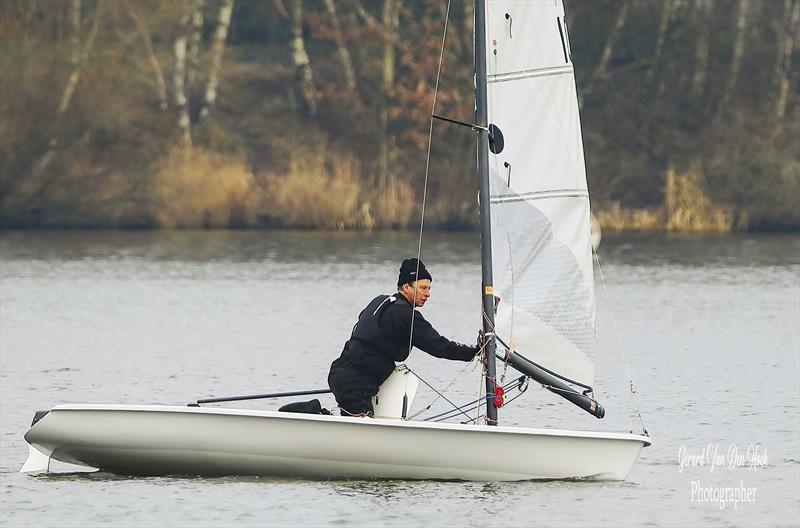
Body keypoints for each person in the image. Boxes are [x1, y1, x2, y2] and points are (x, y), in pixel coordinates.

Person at [328, 258, 479, 416]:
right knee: (362, 432)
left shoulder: (380, 301)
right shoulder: (404, 314)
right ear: (406, 286)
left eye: (429, 288)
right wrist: (474, 352)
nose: (427, 294)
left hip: (340, 374)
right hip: (356, 384)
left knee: (358, 425)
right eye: (422, 288)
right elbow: (439, 346)